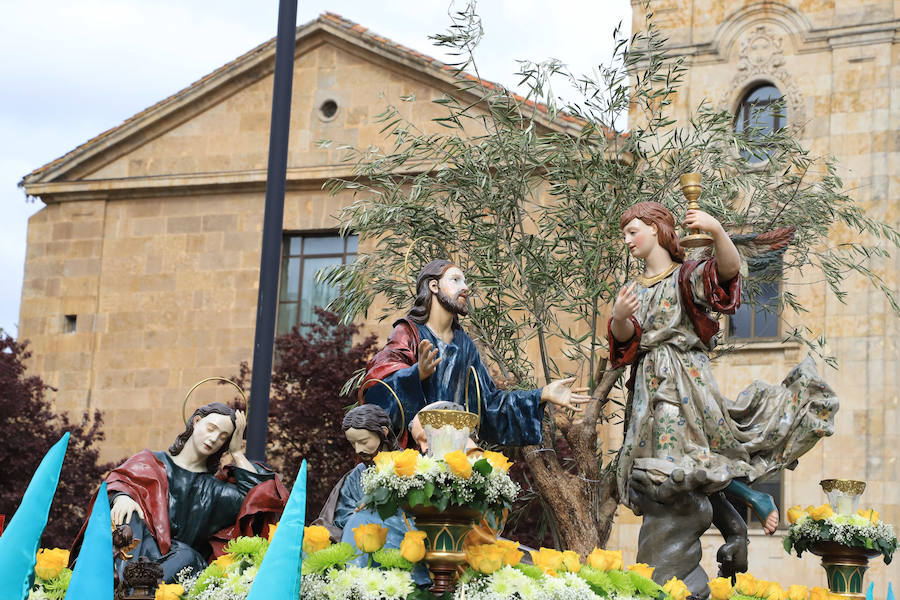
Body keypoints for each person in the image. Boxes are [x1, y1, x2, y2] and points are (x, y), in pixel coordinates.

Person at [609, 201, 838, 535]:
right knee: (664, 462)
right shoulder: (632, 289)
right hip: (647, 380)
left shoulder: (685, 276)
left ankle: (750, 499)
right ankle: (736, 525)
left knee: (679, 458)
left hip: (683, 375)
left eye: (633, 232)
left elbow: (728, 272)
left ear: (655, 229)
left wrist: (715, 230)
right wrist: (617, 316)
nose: (627, 241)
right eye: (624, 235)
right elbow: (625, 342)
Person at [361, 259, 589, 447]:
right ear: (433, 286)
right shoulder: (408, 333)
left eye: (465, 281)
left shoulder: (465, 345)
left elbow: (489, 403)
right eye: (455, 280)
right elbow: (376, 389)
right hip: (415, 458)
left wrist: (541, 394)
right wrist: (416, 374)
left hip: (459, 452)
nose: (465, 287)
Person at [75, 403, 287, 583]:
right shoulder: (150, 462)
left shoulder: (214, 491)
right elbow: (118, 483)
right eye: (211, 428)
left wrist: (237, 453)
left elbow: (261, 498)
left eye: (223, 437)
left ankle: (137, 589)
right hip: (134, 556)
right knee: (129, 514)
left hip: (174, 569)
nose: (213, 439)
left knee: (188, 557)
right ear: (196, 422)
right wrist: (122, 497)